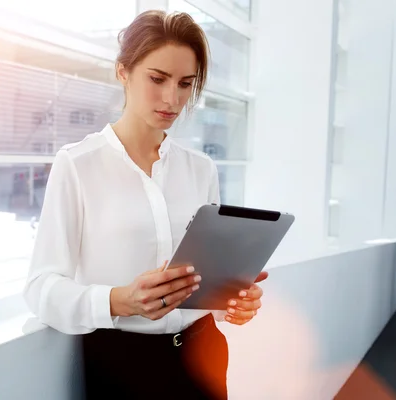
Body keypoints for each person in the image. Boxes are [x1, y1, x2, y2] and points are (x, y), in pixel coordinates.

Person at [23, 10, 267, 400]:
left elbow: (205, 285)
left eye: (186, 84)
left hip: (203, 354)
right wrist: (121, 300)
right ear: (124, 72)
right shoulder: (78, 164)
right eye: (158, 79)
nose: (172, 99)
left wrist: (232, 301)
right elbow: (41, 289)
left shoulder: (200, 168)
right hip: (122, 365)